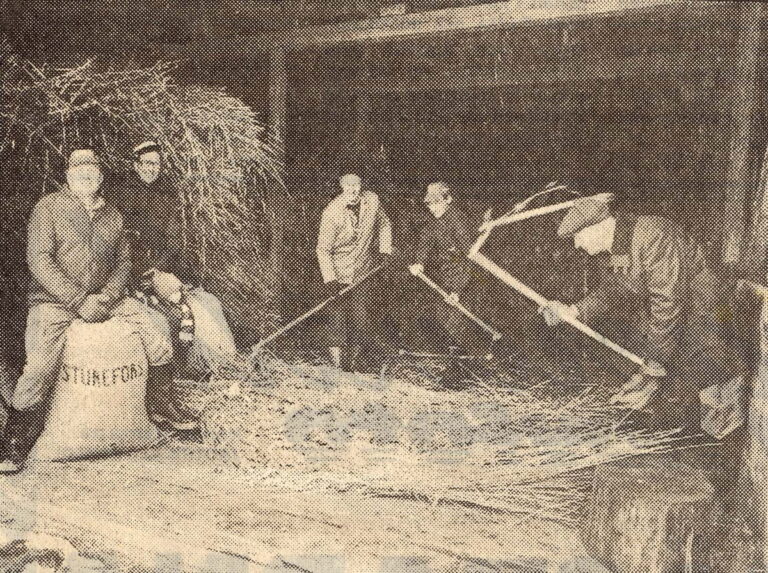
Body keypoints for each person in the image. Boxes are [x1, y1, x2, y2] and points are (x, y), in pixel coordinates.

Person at [0, 149, 176, 474]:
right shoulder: (49, 207)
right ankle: (15, 440)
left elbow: (123, 261)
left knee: (157, 335)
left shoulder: (112, 215)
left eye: (92, 171)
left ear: (100, 177)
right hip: (54, 301)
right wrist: (79, 300)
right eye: (79, 171)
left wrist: (107, 297)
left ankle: (163, 406)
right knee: (39, 366)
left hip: (106, 298)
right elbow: (39, 260)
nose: (86, 176)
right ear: (68, 176)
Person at [540, 193, 739, 427]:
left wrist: (654, 365)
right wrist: (574, 311)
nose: (577, 244)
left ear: (599, 226)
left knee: (709, 370)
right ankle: (699, 418)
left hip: (708, 310)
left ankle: (725, 428)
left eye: (578, 235)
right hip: (682, 313)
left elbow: (668, 302)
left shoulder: (654, 235)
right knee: (671, 365)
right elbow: (613, 290)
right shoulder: (621, 243)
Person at [115, 140, 235, 429]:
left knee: (196, 308)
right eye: (146, 164)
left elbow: (174, 240)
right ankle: (159, 398)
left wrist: (159, 269)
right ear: (135, 165)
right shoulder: (121, 193)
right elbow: (118, 239)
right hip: (129, 269)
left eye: (155, 164)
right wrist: (137, 271)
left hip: (158, 267)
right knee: (162, 318)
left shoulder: (167, 196)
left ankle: (180, 379)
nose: (151, 169)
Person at [316, 173, 392, 370]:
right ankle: (337, 367)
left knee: (361, 317)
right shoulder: (332, 213)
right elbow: (323, 250)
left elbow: (384, 223)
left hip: (363, 271)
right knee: (337, 318)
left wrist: (385, 249)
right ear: (342, 188)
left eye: (356, 186)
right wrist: (330, 280)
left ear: (361, 186)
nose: (352, 190)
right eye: (348, 187)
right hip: (339, 273)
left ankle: (354, 364)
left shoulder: (372, 200)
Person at [408, 182, 474, 386]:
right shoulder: (435, 220)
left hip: (465, 279)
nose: (432, 207)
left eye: (437, 203)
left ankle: (458, 374)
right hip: (446, 277)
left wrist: (458, 290)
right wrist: (419, 262)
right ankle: (455, 367)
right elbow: (426, 240)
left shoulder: (458, 221)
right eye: (430, 204)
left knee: (457, 324)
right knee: (443, 320)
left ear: (448, 199)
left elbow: (470, 258)